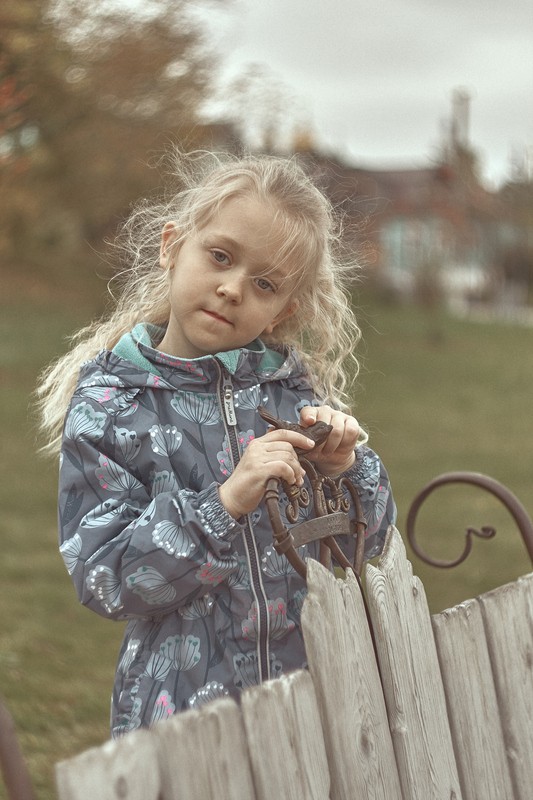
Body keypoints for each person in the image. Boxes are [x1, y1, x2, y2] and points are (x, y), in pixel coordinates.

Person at [38, 150, 395, 737]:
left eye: (264, 283)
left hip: (313, 707)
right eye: (221, 257)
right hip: (184, 722)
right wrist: (222, 505)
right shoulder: (111, 405)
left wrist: (344, 468)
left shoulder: (289, 395)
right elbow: (105, 576)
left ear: (287, 308)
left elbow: (372, 543)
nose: (232, 289)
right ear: (173, 246)